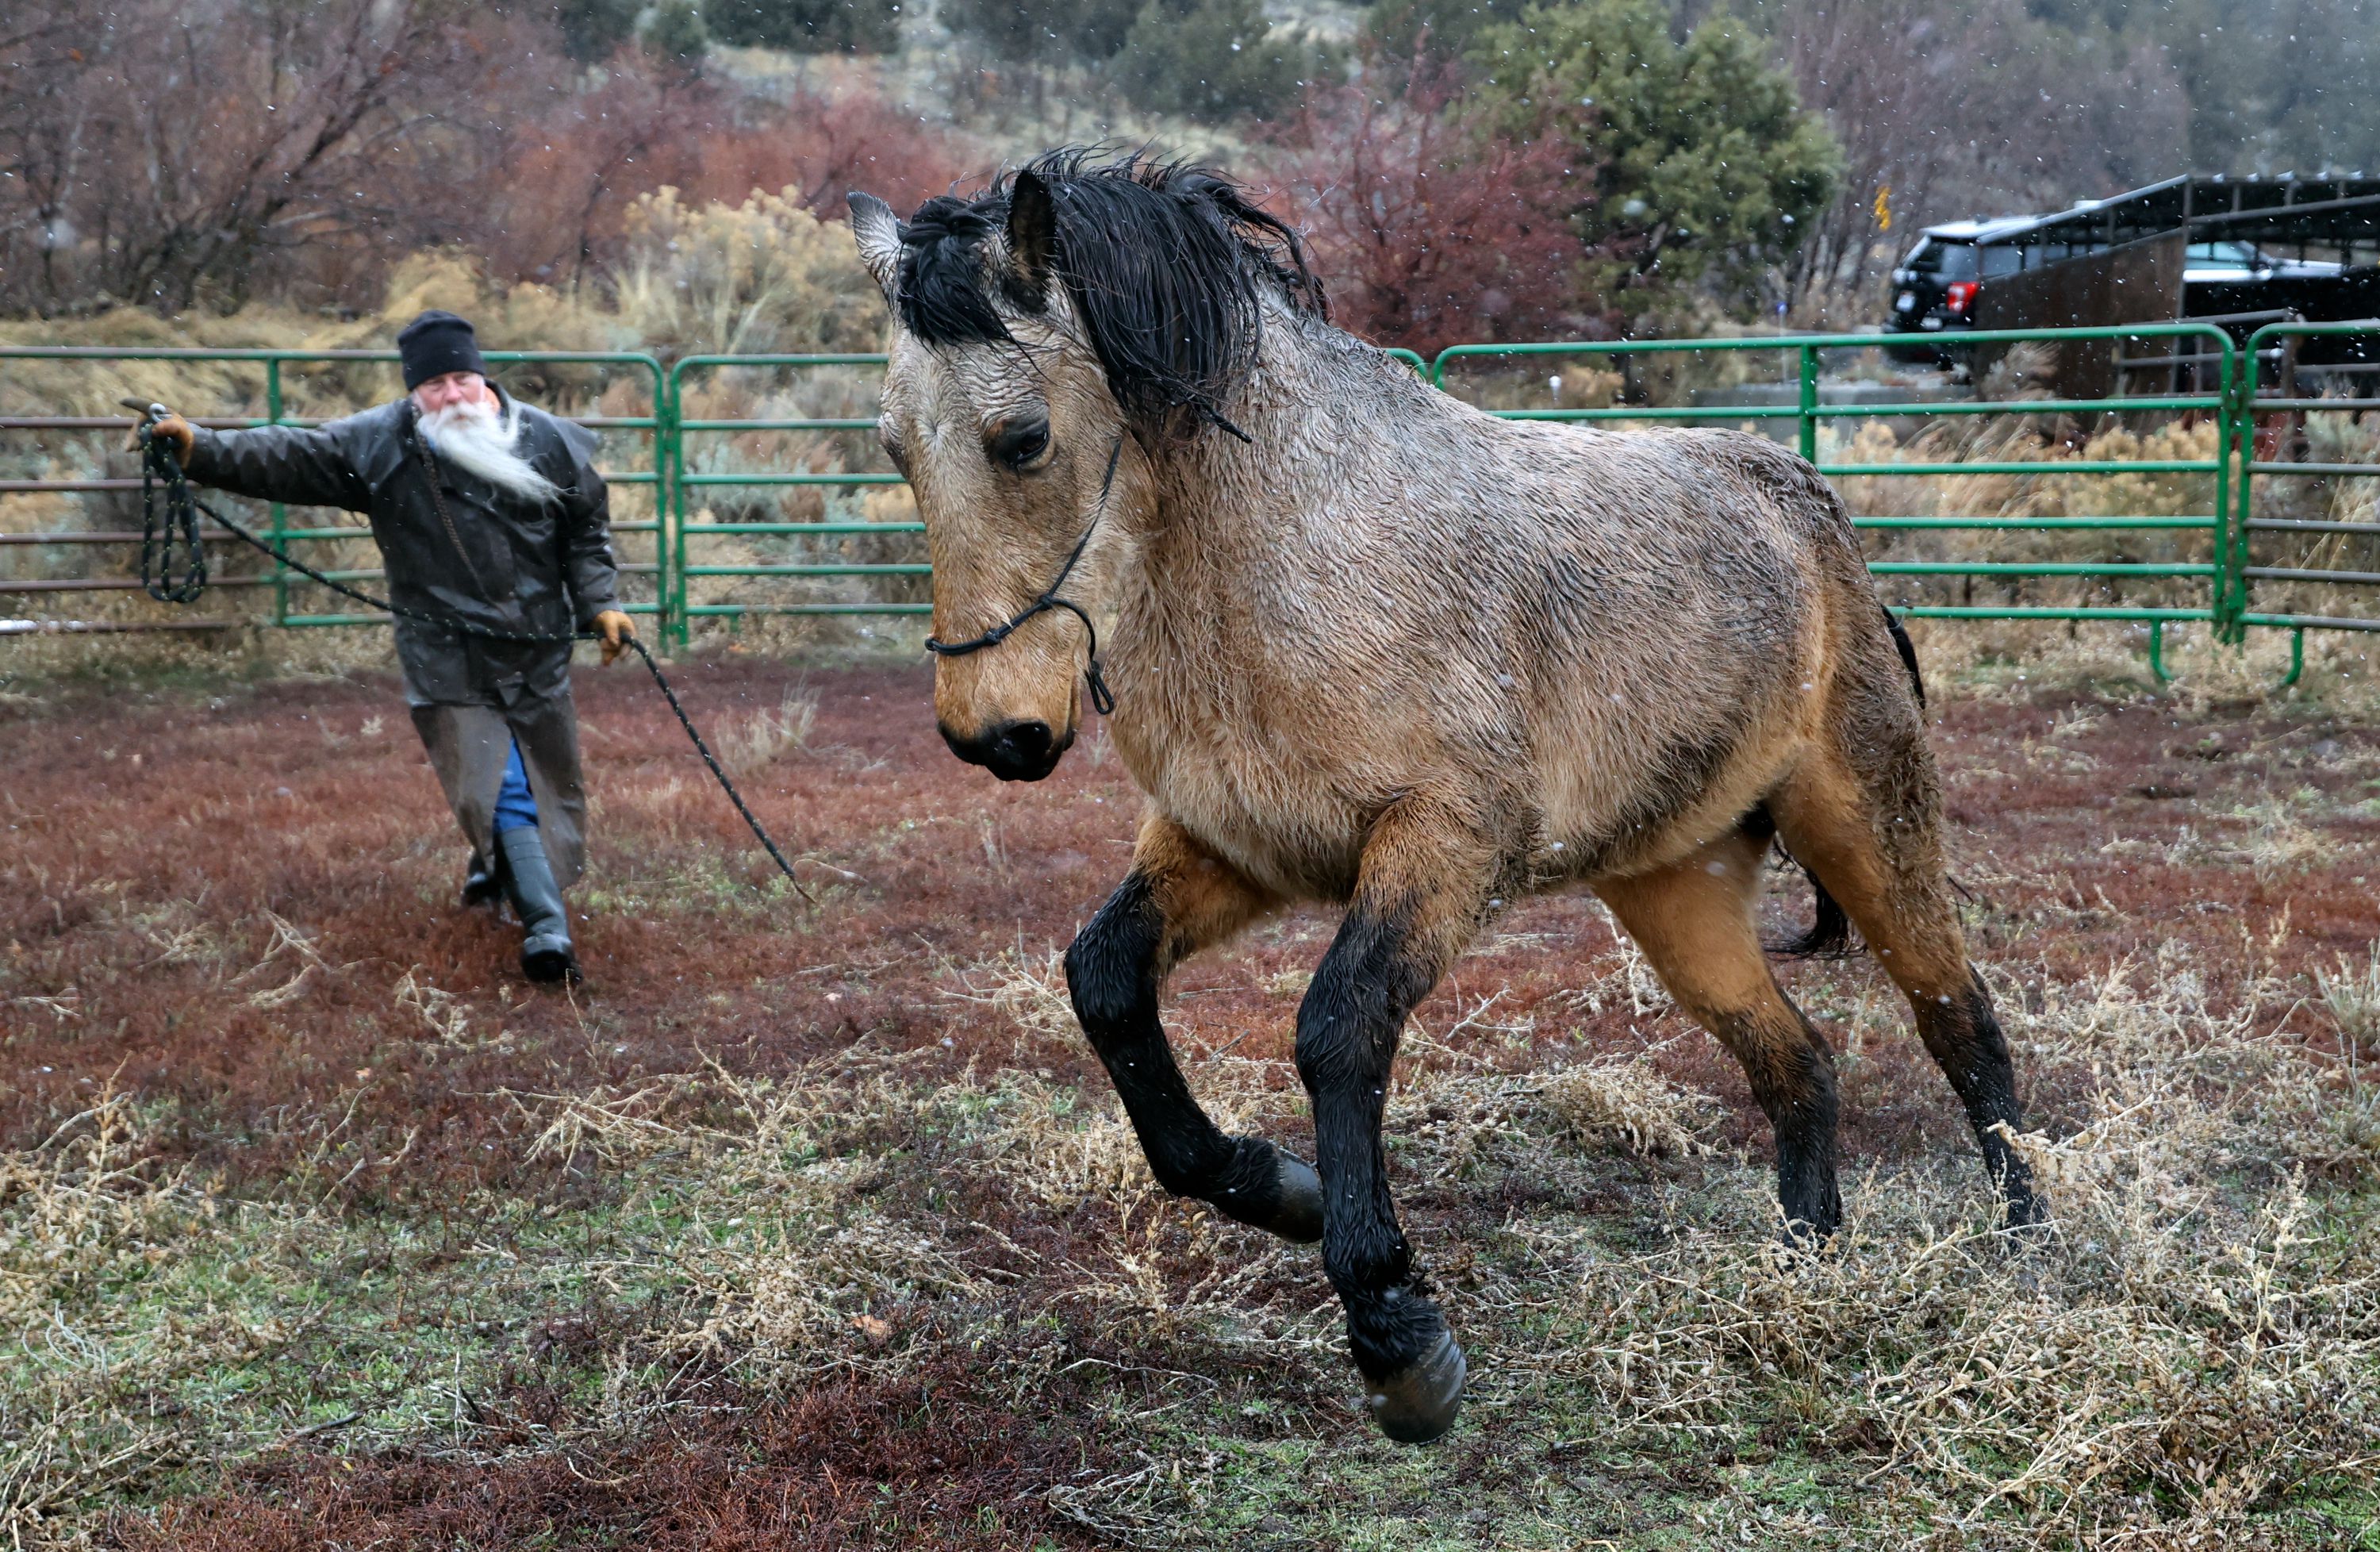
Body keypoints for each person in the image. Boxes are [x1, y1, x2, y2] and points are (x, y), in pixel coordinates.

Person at [136, 310, 635, 984]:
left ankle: (493, 872)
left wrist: (601, 602)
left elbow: (585, 533)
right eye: (435, 386)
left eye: (463, 378)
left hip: (535, 647)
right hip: (444, 650)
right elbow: (287, 456)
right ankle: (548, 931)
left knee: (545, 772)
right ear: (413, 392)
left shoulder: (548, 442)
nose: (453, 395)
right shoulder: (377, 444)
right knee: (496, 776)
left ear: (483, 377)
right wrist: (200, 447)